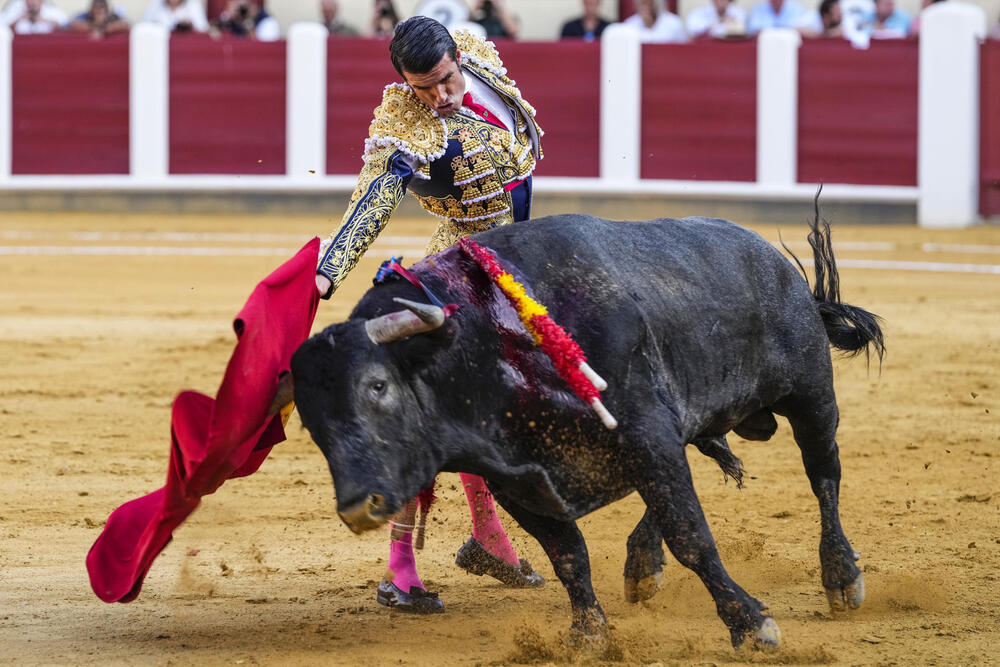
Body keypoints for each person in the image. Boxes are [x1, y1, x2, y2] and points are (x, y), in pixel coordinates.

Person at [314, 16, 546, 614]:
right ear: (405, 84)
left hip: (519, 263)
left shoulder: (474, 56)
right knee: (440, 408)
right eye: (424, 88)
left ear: (456, 59)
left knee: (491, 406)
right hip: (461, 274)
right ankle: (401, 567)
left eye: (445, 81)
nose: (440, 97)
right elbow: (371, 203)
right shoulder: (407, 133)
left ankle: (488, 536)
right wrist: (328, 270)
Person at [622, 0, 687, 43]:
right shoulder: (629, 24)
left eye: (648, 2)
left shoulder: (674, 23)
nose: (645, 4)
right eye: (642, 3)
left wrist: (650, 24)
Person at [213, 0, 279, 40]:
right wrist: (227, 16)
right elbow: (215, 36)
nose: (242, 11)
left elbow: (263, 47)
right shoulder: (229, 18)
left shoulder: (268, 22)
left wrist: (248, 21)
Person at [141, 0, 209, 33]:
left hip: (185, 52)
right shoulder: (155, 5)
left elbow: (204, 32)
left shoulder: (194, 5)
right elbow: (141, 29)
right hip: (157, 52)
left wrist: (190, 27)